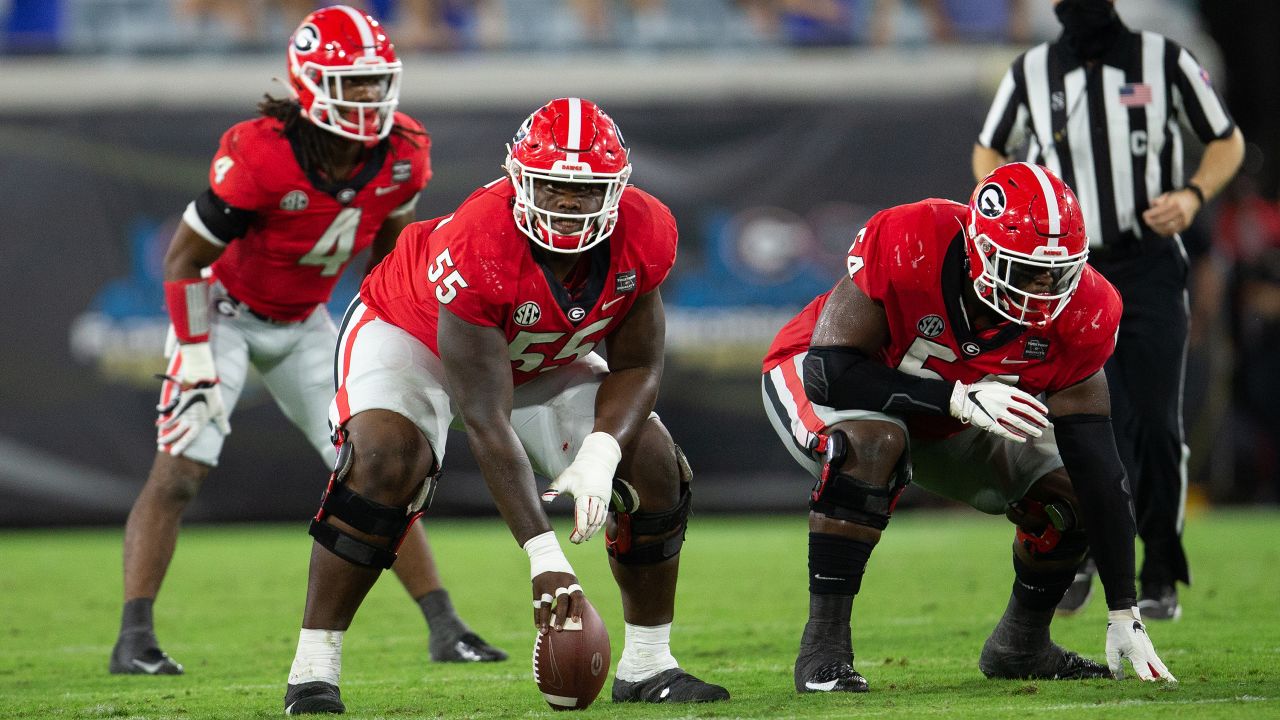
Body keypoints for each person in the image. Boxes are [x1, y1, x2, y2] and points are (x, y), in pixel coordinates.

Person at [281, 96, 730, 714]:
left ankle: (649, 663)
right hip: (411, 333)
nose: (568, 206)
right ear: (519, 178)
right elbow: (487, 419)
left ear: (619, 188)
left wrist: (600, 455)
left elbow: (638, 365)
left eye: (586, 190)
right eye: (550, 187)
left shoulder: (645, 229)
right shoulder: (479, 239)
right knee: (386, 462)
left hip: (538, 356)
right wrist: (545, 558)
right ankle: (313, 670)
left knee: (651, 463)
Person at [110, 4, 506, 676]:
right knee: (180, 470)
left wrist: (397, 351)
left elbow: (388, 264)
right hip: (223, 315)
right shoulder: (260, 152)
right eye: (352, 83)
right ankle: (134, 638)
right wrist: (199, 355)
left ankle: (446, 625)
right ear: (310, 82)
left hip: (306, 324)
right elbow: (183, 259)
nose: (369, 97)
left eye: (377, 82)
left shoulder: (403, 152)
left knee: (380, 468)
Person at [762, 162, 1176, 693]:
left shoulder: (1087, 309)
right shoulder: (915, 239)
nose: (1045, 287)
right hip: (822, 376)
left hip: (952, 411)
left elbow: (1098, 464)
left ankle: (1021, 645)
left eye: (1059, 270)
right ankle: (823, 650)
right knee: (869, 444)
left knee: (1070, 495)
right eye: (1026, 268)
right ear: (979, 249)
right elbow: (830, 372)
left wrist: (1124, 611)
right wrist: (956, 396)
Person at [972, 0, 1244, 620]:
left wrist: (1193, 194)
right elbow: (988, 154)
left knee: (1154, 423)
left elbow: (1226, 141)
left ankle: (1161, 564)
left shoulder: (1164, 59)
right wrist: (1013, 216)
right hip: (1069, 270)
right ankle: (1085, 547)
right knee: (1087, 419)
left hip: (1147, 260)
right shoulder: (1031, 70)